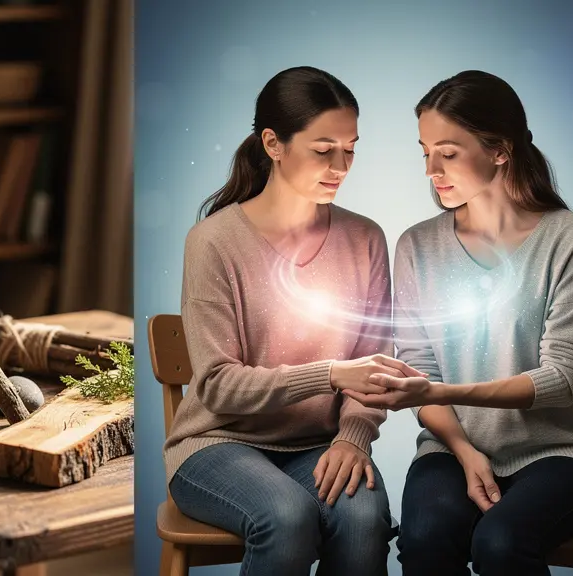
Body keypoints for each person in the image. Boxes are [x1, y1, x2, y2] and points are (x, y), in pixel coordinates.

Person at [346, 71, 573, 576]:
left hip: (562, 452)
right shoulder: (416, 246)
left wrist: (442, 392)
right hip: (450, 447)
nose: (431, 169)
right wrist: (467, 452)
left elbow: (561, 381)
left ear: (500, 150)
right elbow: (421, 368)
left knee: (501, 541)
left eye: (448, 152)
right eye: (424, 150)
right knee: (424, 538)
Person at [163, 66, 415, 576]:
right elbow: (216, 386)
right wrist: (329, 374)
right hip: (218, 444)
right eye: (323, 149)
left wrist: (353, 437)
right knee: (287, 515)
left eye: (350, 148)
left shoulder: (365, 239)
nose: (340, 165)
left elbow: (375, 368)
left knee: (365, 520)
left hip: (320, 445)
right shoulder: (213, 242)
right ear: (273, 144)